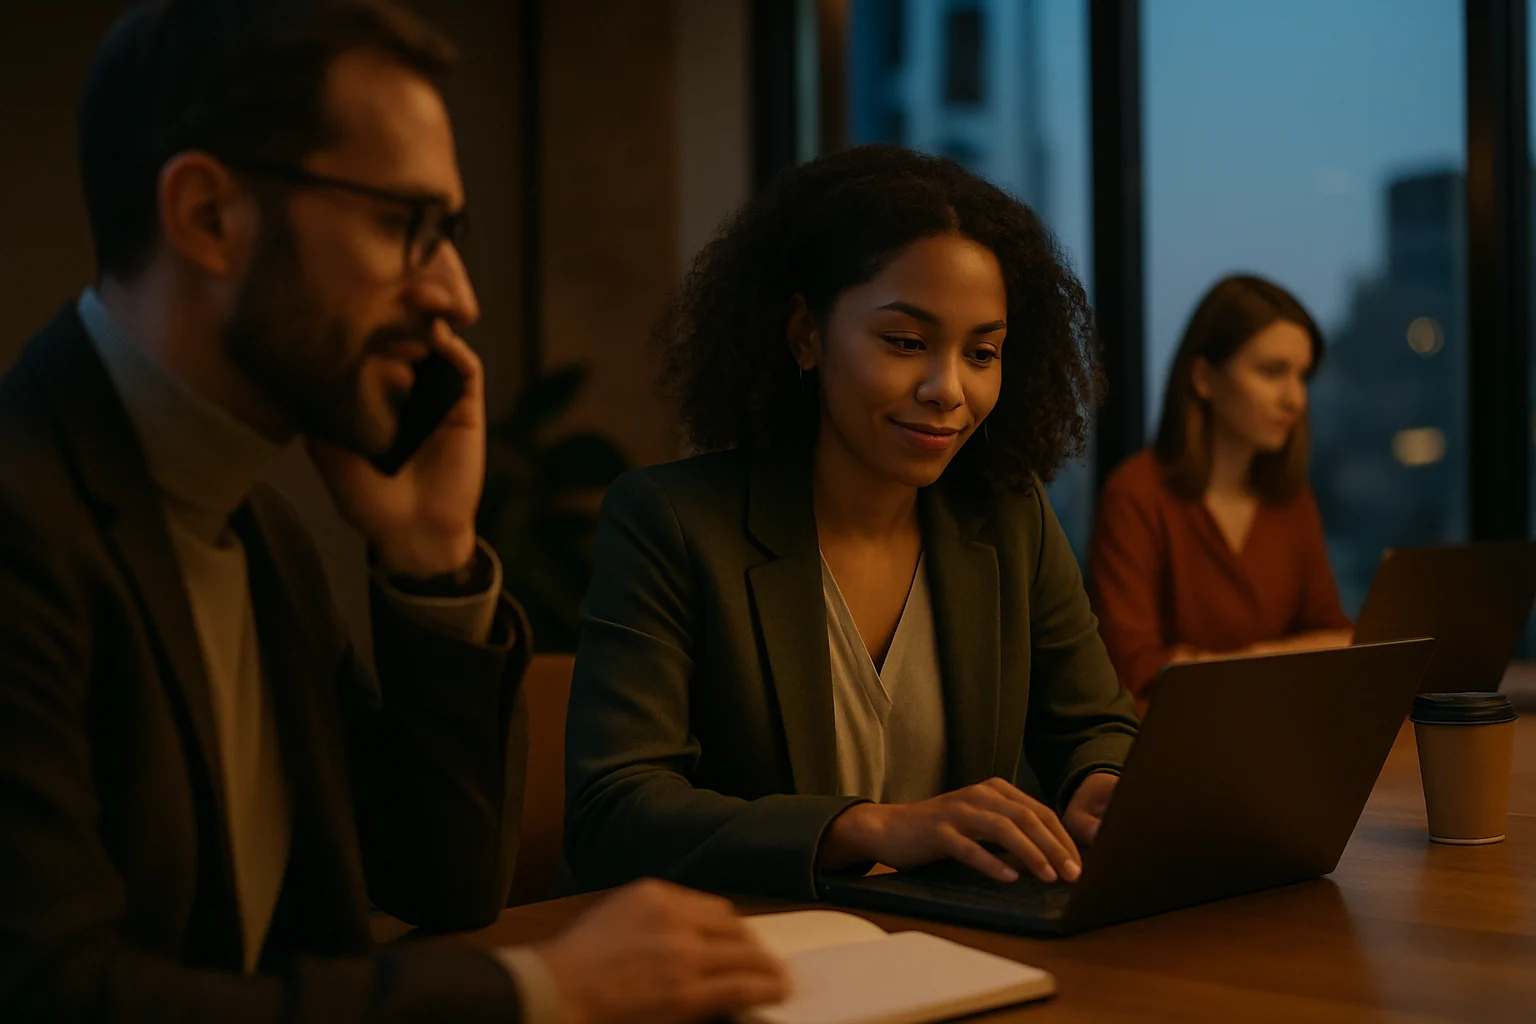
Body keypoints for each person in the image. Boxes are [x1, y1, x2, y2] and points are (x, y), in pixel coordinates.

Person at [0, 2, 786, 1021]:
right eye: (403, 225)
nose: (455, 294)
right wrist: (545, 985)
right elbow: (58, 998)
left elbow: (442, 882)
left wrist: (431, 556)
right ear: (207, 217)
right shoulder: (23, 523)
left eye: (449, 234)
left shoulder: (261, 534)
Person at [564, 144, 1140, 901]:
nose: (947, 389)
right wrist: (868, 828)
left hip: (955, 952)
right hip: (748, 957)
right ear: (806, 334)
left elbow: (1097, 725)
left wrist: (1102, 781)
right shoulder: (670, 523)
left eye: (983, 352)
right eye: (905, 342)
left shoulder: (1007, 517)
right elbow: (613, 814)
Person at [1088, 274, 1353, 701]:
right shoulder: (1137, 494)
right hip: (1172, 748)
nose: (1295, 399)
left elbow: (1338, 639)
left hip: (1278, 735)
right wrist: (1277, 658)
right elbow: (1131, 668)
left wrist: (1212, 664)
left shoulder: (1289, 498)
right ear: (1203, 377)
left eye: (1302, 376)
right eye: (1272, 372)